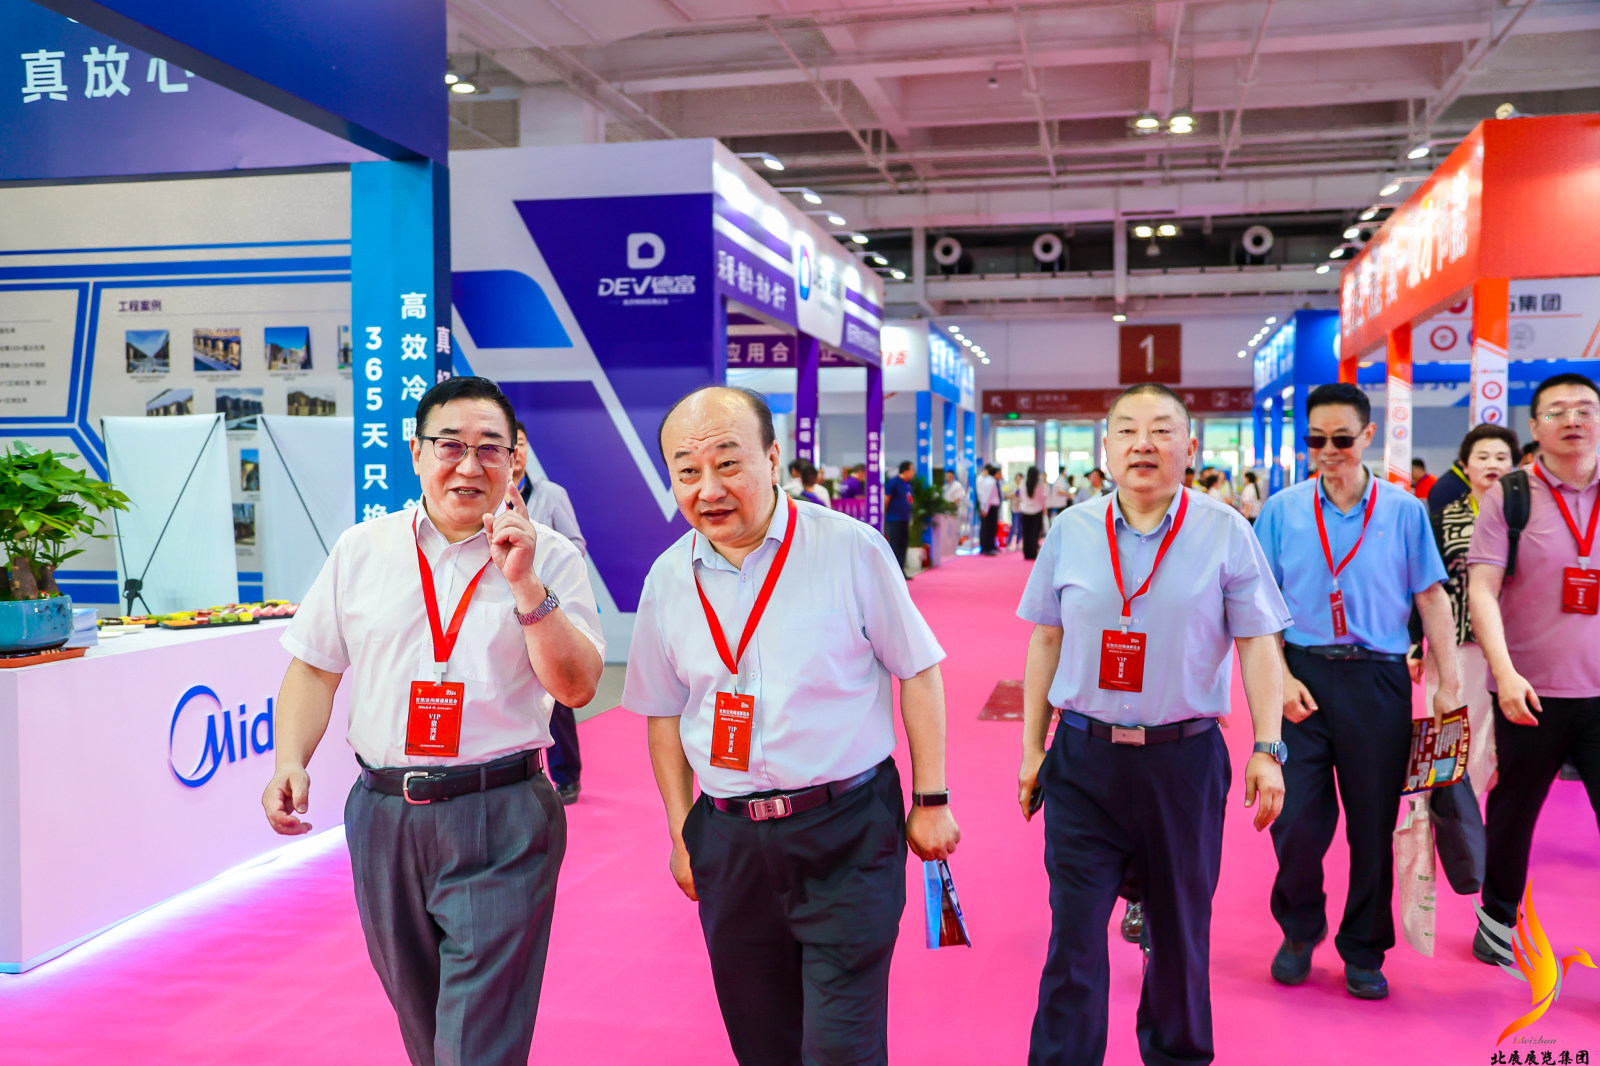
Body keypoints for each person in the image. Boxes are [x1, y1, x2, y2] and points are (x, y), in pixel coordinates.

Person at [262, 376, 605, 1066]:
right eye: (450, 446)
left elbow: (576, 687)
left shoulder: (551, 556)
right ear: (417, 453)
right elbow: (315, 667)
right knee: (425, 1028)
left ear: (516, 459)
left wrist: (525, 585)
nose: (469, 466)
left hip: (501, 812)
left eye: (490, 449)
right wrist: (289, 760)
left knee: (476, 1042)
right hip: (384, 816)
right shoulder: (362, 550)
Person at [625, 385, 961, 1066]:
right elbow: (664, 714)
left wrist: (932, 798)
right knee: (763, 1042)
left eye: (728, 463)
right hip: (730, 842)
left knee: (841, 1046)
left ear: (773, 458)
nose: (709, 488)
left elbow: (918, 670)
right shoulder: (666, 580)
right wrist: (682, 832)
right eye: (688, 471)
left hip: (846, 831)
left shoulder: (849, 549)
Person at [1017, 383, 1289, 1066]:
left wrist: (1268, 746)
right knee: (1074, 938)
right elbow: (1045, 639)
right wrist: (1031, 749)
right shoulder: (1071, 530)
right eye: (1127, 430)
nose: (1144, 443)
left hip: (1183, 764)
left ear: (1189, 447)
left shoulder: (1226, 530)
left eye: (1162, 430)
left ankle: (1177, 1055)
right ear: (1106, 447)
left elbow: (1258, 644)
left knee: (1179, 936)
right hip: (1084, 760)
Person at [1252, 382, 1459, 1001]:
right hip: (1301, 680)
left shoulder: (1404, 510)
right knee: (1294, 823)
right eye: (1316, 439)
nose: (1328, 450)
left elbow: (1432, 598)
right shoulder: (1281, 510)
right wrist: (1280, 677)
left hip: (1378, 681)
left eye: (1341, 439)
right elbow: (1259, 608)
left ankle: (1364, 948)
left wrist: (1447, 684)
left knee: (1372, 828)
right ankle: (1299, 928)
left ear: (1368, 436)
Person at [1466, 373, 1600, 965]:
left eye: (1586, 409)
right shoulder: (1511, 495)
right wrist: (1504, 673)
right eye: (1557, 411)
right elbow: (1483, 589)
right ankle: (1497, 920)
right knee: (1513, 813)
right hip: (1529, 692)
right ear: (1536, 426)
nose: (1573, 420)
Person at [1408, 424, 1520, 797]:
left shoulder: (1526, 519)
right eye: (1483, 457)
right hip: (1456, 642)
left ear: (1514, 465)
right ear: (1465, 466)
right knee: (1451, 731)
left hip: (1515, 643)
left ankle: (1482, 816)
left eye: (1501, 457)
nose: (1493, 465)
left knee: (1500, 741)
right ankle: (1442, 813)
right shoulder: (1442, 519)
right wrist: (1414, 642)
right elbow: (1424, 586)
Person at [511, 422, 591, 804]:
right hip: (504, 612)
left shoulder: (550, 494)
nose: (516, 452)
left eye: (521, 443)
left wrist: (538, 571)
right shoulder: (486, 498)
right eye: (509, 445)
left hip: (546, 605)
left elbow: (575, 543)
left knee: (557, 694)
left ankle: (566, 775)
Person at [885, 460, 916, 576]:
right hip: (894, 519)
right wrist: (885, 513)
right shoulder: (894, 482)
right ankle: (893, 573)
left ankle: (901, 571)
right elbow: (887, 499)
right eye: (912, 470)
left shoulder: (908, 484)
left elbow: (909, 499)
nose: (913, 472)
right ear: (906, 470)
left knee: (903, 545)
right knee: (895, 545)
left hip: (905, 519)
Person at [1017, 464, 1049, 560]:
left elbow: (1021, 497)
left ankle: (1026, 553)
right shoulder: (1039, 484)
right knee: (1034, 533)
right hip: (1036, 511)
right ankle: (1033, 552)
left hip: (1025, 510)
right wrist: (1044, 507)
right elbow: (1042, 498)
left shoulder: (1022, 483)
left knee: (1026, 533)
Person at [978, 463, 1002, 555]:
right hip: (990, 507)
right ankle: (988, 548)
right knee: (989, 529)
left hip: (989, 507)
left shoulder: (989, 480)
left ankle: (989, 547)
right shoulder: (990, 481)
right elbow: (986, 497)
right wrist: (985, 509)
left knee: (989, 528)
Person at [1009, 473, 1027, 549]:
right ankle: (1009, 543)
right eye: (1018, 478)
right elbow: (1008, 496)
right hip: (1014, 508)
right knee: (1014, 527)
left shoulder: (1024, 487)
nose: (1019, 480)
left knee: (1021, 527)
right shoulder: (1012, 486)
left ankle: (1018, 543)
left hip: (1022, 509)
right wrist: (1015, 494)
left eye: (1020, 478)